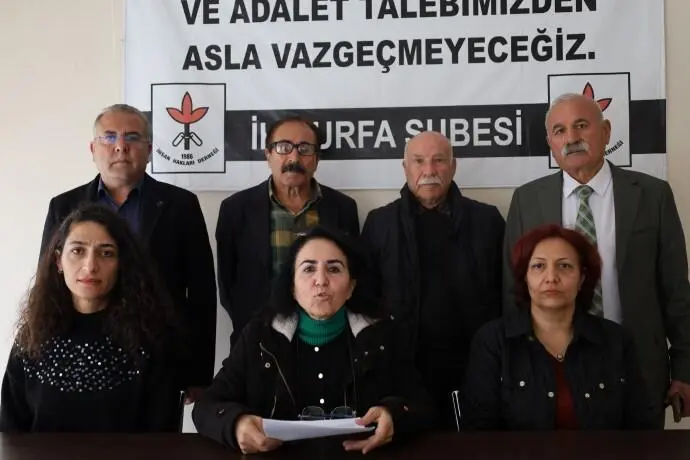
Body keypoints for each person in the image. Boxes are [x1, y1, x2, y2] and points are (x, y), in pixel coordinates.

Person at [503, 93, 690, 424]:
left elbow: (676, 290)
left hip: (638, 368)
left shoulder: (652, 195)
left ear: (605, 132)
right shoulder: (527, 200)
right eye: (560, 131)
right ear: (550, 143)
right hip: (551, 371)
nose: (571, 138)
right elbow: (513, 291)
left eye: (581, 126)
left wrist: (685, 370)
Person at [193, 225, 436, 454]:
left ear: (351, 286)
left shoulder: (381, 334)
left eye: (334, 269)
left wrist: (393, 414)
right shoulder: (259, 337)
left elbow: (422, 405)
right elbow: (207, 406)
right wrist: (236, 424)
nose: (321, 281)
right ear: (292, 286)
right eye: (308, 269)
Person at [40, 104, 216, 404]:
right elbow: (48, 285)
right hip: (77, 352)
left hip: (158, 357)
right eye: (109, 137)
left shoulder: (181, 205)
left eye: (132, 137)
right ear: (93, 149)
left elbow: (202, 293)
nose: (120, 146)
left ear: (149, 150)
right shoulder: (64, 206)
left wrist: (199, 374)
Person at [360, 130, 504, 429]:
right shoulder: (379, 224)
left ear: (453, 166)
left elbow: (506, 293)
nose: (429, 170)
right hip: (402, 369)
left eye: (439, 160)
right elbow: (365, 300)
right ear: (405, 167)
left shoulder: (488, 221)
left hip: (476, 366)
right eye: (419, 161)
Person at [0, 204, 181, 432]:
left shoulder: (150, 337)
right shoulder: (33, 335)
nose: (90, 266)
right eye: (78, 251)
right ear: (58, 261)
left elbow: (161, 435)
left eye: (106, 253)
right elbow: (10, 428)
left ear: (121, 263)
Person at [462, 224, 659, 430]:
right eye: (538, 266)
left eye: (564, 266)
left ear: (582, 278)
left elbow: (642, 429)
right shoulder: (493, 342)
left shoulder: (616, 341)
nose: (551, 278)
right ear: (525, 276)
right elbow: (479, 432)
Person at [216, 116, 360, 346]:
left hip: (325, 337)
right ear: (268, 154)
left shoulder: (343, 209)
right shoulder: (236, 210)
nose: (294, 158)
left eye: (304, 149)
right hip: (257, 339)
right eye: (283, 147)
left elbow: (349, 274)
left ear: (316, 159)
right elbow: (227, 283)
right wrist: (252, 327)